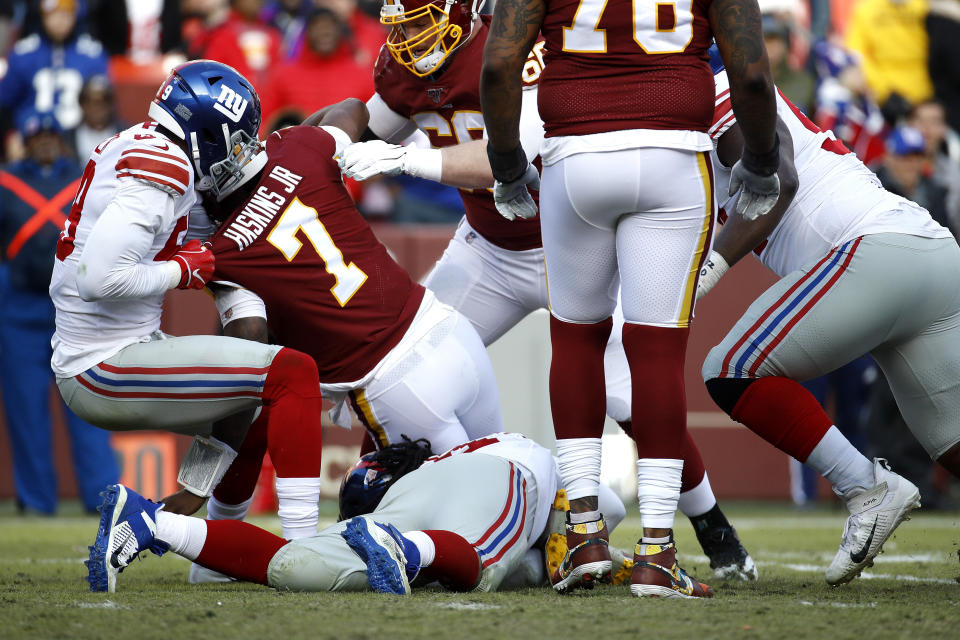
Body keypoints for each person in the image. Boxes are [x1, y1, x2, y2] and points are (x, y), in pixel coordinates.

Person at [336, 0, 756, 582]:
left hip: (560, 235)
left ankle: (712, 526)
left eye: (422, 20)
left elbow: (513, 152)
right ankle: (376, 514)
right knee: (402, 369)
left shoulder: (511, 45)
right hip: (485, 249)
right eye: (402, 25)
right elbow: (366, 120)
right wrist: (326, 136)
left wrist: (406, 158)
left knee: (629, 397)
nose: (411, 37)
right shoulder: (404, 69)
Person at [479, 0, 780, 599]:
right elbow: (750, 74)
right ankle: (657, 551)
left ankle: (585, 533)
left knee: (574, 338)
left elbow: (498, 67)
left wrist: (508, 164)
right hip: (672, 155)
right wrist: (764, 159)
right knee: (657, 352)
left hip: (576, 159)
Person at [184, 99, 505, 581]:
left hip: (395, 382)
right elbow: (352, 109)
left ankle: (230, 547)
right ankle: (579, 538)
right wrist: (295, 136)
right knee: (504, 489)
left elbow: (247, 352)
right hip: (448, 331)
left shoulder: (222, 250)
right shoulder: (301, 148)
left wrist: (200, 476)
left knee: (463, 544)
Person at [49, 60, 326, 559]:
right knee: (294, 374)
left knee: (267, 392)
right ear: (206, 126)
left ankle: (203, 546)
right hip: (102, 366)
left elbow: (213, 264)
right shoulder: (166, 165)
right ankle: (305, 549)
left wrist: (244, 311)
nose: (239, 149)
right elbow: (98, 279)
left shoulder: (159, 151)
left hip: (123, 349)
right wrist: (184, 270)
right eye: (235, 135)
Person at [697, 54, 954, 585]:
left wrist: (712, 268)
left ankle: (866, 487)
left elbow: (777, 179)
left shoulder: (715, 90)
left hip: (869, 249)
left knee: (731, 369)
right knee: (955, 446)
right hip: (930, 251)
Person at [87, 432, 636, 595]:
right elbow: (600, 515)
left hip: (419, 495)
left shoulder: (440, 461)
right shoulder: (530, 456)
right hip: (503, 482)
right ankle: (406, 548)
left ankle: (153, 522)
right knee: (482, 563)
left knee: (296, 563)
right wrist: (600, 552)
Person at [0, 108, 118, 514]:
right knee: (26, 409)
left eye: (52, 135)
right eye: (37, 136)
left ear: (63, 140)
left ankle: (103, 497)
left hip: (75, 304)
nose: (46, 142)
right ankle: (35, 502)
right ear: (25, 142)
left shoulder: (85, 178)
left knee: (89, 402)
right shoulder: (5, 181)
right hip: (20, 307)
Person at [0, 0, 108, 141]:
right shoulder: (23, 53)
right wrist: (10, 136)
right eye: (53, 14)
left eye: (65, 14)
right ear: (42, 15)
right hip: (30, 139)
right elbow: (5, 105)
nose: (60, 21)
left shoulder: (93, 54)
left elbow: (103, 105)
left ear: (76, 14)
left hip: (80, 143)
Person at [68, 75, 125, 163]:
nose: (95, 108)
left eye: (102, 101)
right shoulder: (68, 138)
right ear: (81, 104)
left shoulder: (126, 135)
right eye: (89, 102)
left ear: (111, 104)